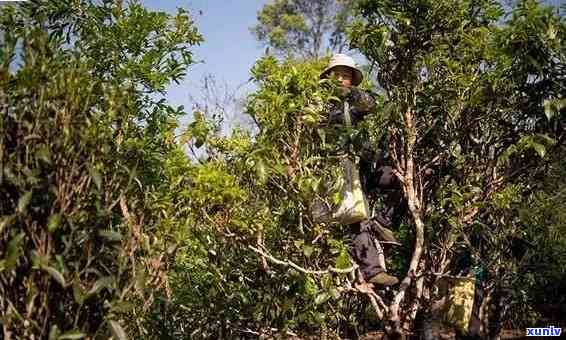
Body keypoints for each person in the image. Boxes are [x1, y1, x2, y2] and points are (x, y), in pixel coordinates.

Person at [320, 54, 402, 286]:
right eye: (336, 75)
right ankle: (373, 271)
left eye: (345, 76)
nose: (340, 80)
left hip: (365, 165)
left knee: (399, 181)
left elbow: (373, 105)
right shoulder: (321, 106)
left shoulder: (357, 101)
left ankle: (383, 222)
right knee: (356, 219)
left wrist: (352, 95)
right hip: (342, 169)